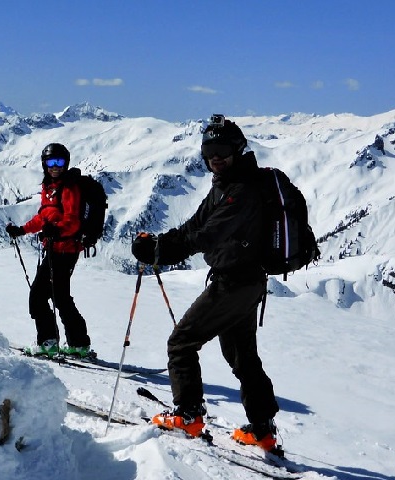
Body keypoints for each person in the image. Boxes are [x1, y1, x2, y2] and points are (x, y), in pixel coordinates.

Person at [131, 115, 281, 452]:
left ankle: (188, 415)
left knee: (182, 343)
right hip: (246, 283)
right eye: (209, 150)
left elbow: (206, 235)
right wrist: (158, 244)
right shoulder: (225, 186)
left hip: (234, 283)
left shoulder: (241, 191)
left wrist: (160, 251)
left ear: (238, 150)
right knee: (242, 356)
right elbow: (191, 227)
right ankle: (262, 430)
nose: (215, 156)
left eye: (223, 149)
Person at [6, 143, 92, 359]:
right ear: (44, 165)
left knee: (37, 297)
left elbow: (72, 221)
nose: (55, 166)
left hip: (65, 250)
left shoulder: (69, 188)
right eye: (50, 162)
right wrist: (22, 230)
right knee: (61, 298)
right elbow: (43, 219)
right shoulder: (49, 188)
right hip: (55, 249)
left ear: (66, 163)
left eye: (59, 162)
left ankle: (48, 342)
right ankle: (78, 344)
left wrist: (55, 230)